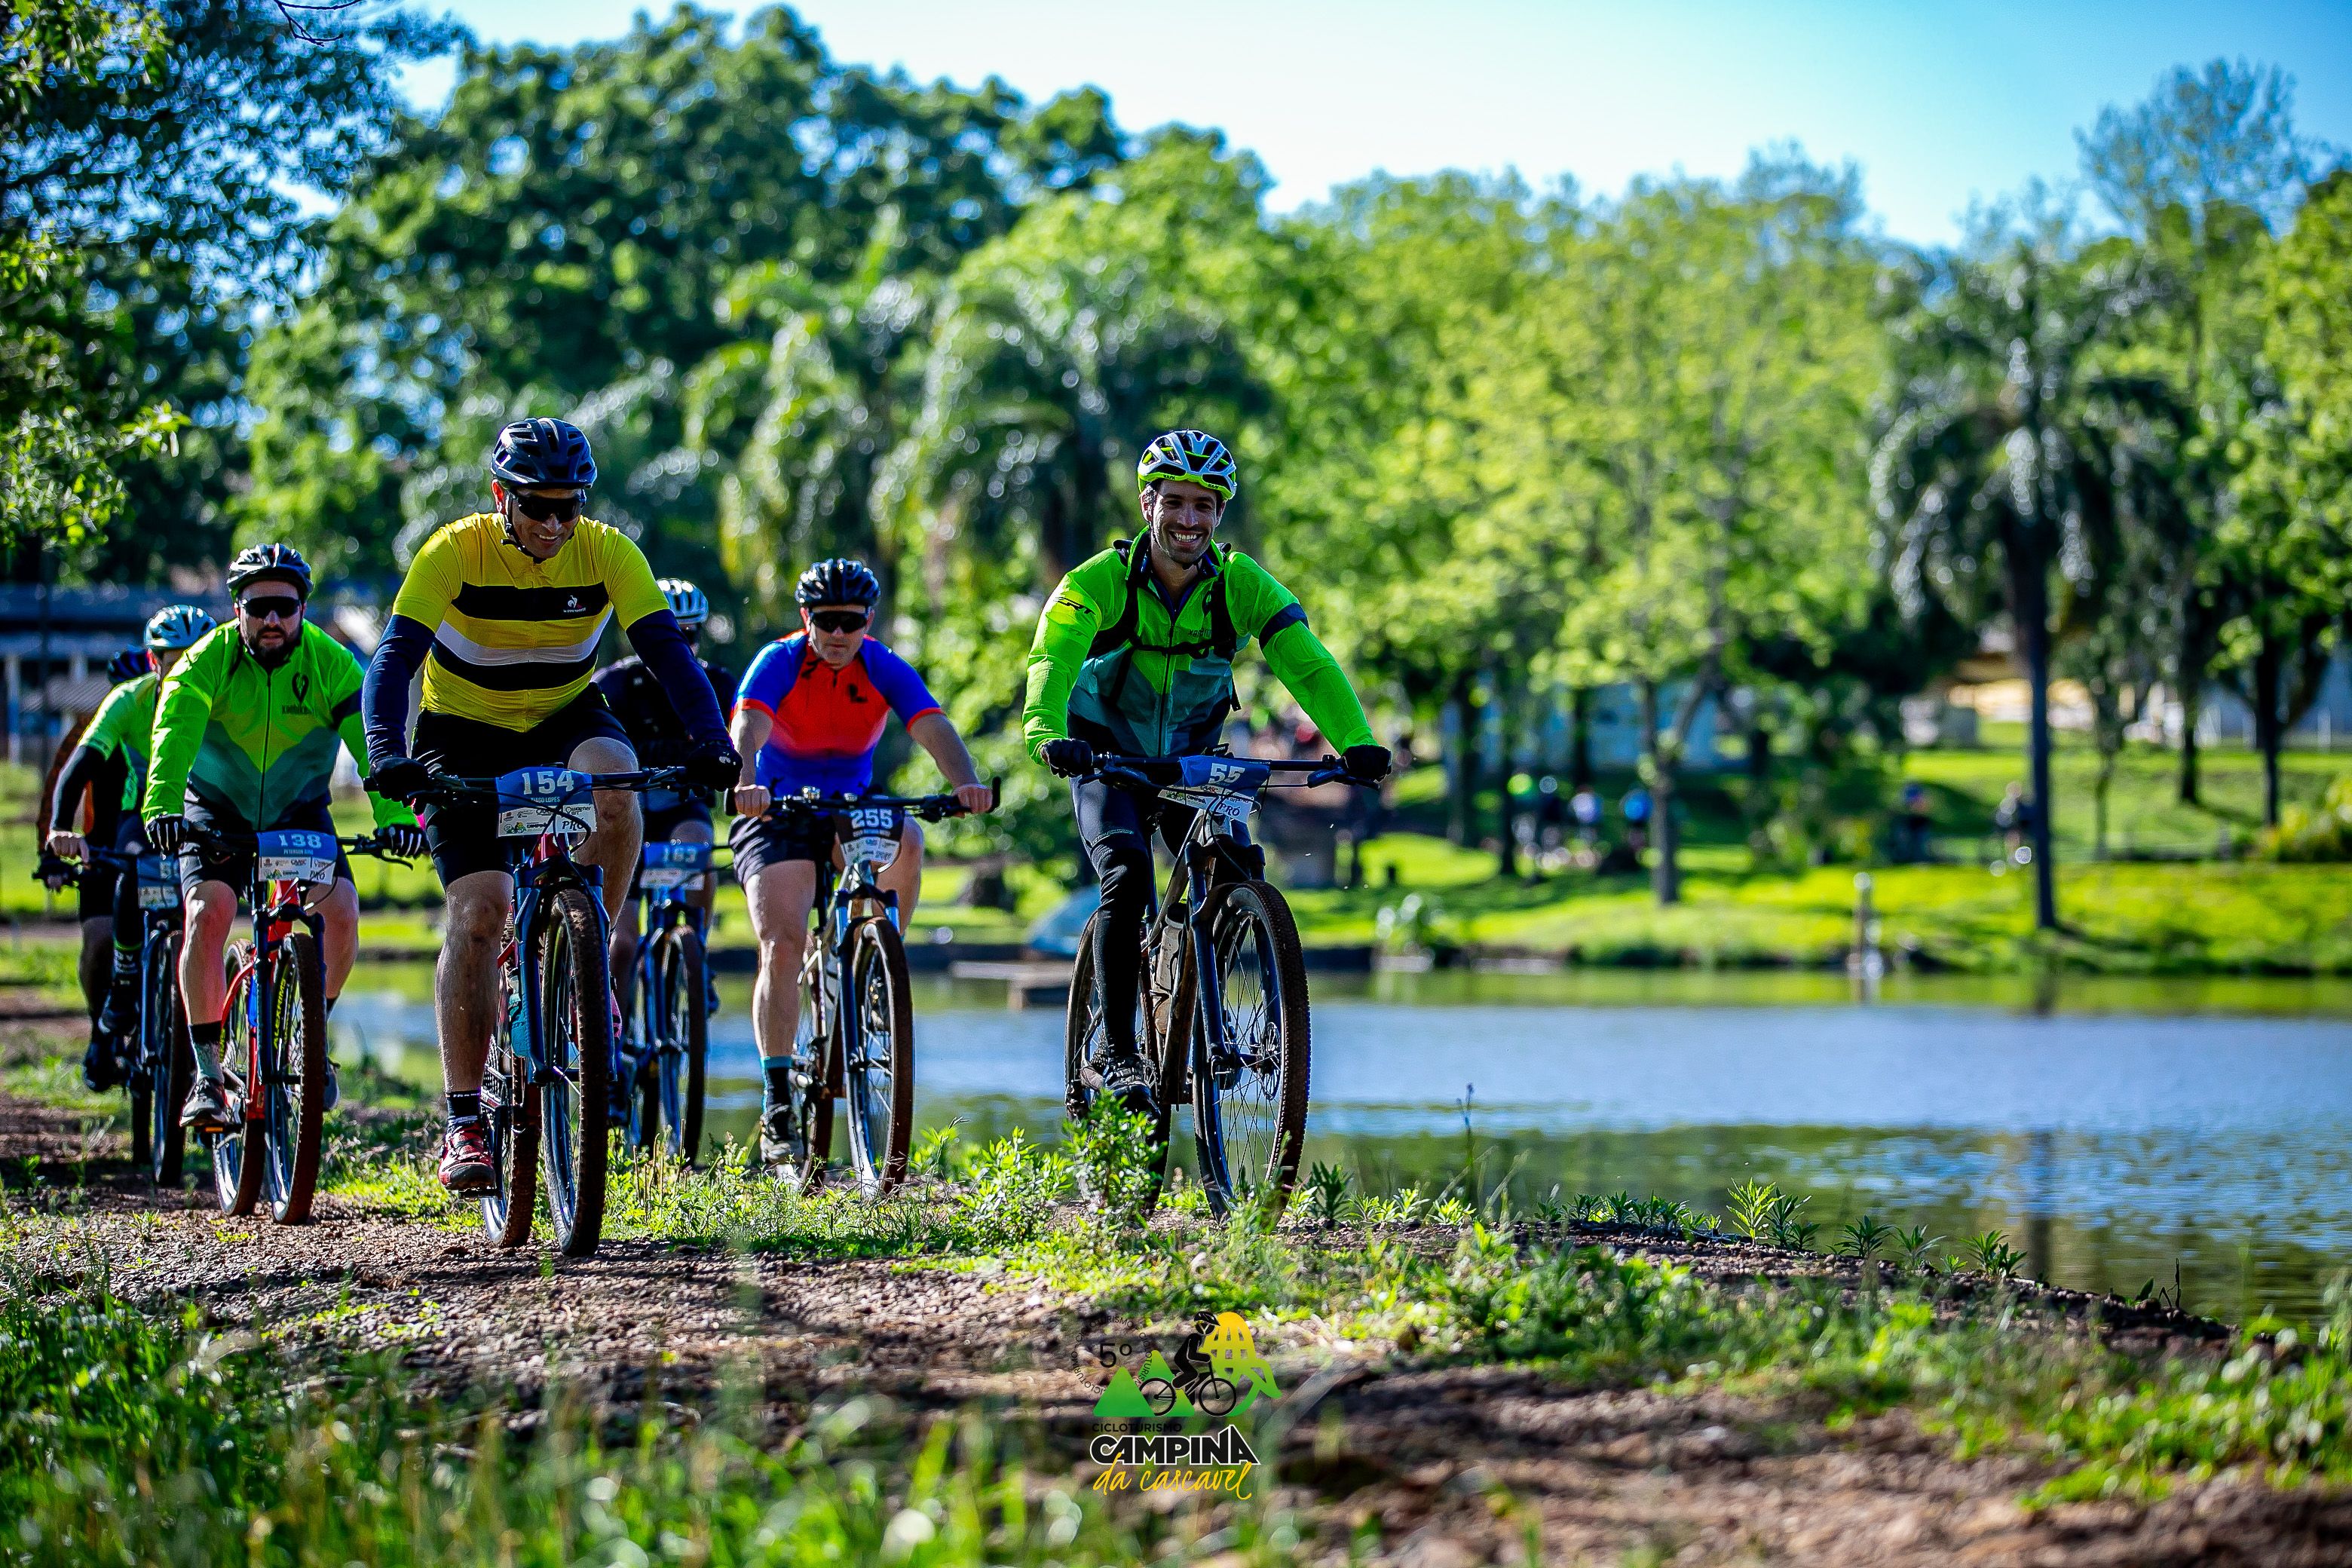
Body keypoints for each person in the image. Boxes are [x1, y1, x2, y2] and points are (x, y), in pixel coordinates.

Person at [361, 417, 740, 1193]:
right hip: (461, 732)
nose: (555, 523)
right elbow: (395, 658)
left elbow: (669, 653)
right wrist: (386, 752)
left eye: (569, 506)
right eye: (538, 506)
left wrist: (711, 738)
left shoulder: (607, 552)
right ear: (500, 496)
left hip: (565, 717)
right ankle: (464, 1119)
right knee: (480, 913)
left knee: (617, 781)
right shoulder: (453, 550)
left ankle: (588, 960)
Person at [1024, 429, 1389, 1111]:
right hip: (1106, 754)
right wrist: (1047, 732)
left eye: (1204, 505)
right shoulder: (1099, 582)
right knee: (1127, 876)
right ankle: (1119, 1051)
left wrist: (1357, 741)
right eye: (1175, 503)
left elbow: (1307, 664)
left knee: (1236, 863)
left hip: (1191, 759)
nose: (1189, 520)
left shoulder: (1240, 585)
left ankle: (1212, 1009)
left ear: (1220, 513)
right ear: (1148, 504)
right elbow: (1055, 655)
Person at [142, 549, 426, 1132]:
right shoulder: (205, 661)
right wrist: (163, 806)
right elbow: (174, 732)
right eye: (259, 607)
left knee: (342, 912)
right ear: (237, 609)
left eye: (285, 606)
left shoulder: (331, 663)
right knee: (207, 912)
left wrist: (396, 813)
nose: (272, 619)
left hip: (299, 813)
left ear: (303, 609)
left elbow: (371, 743)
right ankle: (207, 1075)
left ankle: (309, 1034)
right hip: (216, 810)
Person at [727, 556, 993, 1168]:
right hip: (778, 807)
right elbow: (749, 724)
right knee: (783, 944)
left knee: (910, 839)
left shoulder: (880, 664)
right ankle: (776, 1099)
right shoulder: (779, 661)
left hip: (852, 804)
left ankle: (881, 961)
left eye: (851, 621)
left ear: (868, 620)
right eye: (827, 620)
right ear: (807, 618)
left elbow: (932, 725)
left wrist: (967, 783)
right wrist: (745, 781)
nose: (839, 633)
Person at [44, 618, 213, 1087]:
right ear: (153, 660)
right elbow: (78, 765)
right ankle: (121, 987)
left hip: (204, 814)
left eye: (193, 659)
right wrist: (59, 829)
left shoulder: (223, 695)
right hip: (141, 815)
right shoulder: (129, 700)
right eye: (172, 660)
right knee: (134, 870)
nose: (183, 669)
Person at [595, 577, 738, 1021]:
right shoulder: (615, 684)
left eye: (689, 635)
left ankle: (696, 949)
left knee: (697, 841)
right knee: (622, 945)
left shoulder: (717, 683)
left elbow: (742, 745)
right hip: (628, 815)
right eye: (666, 635)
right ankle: (616, 1040)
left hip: (680, 807)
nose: (679, 647)